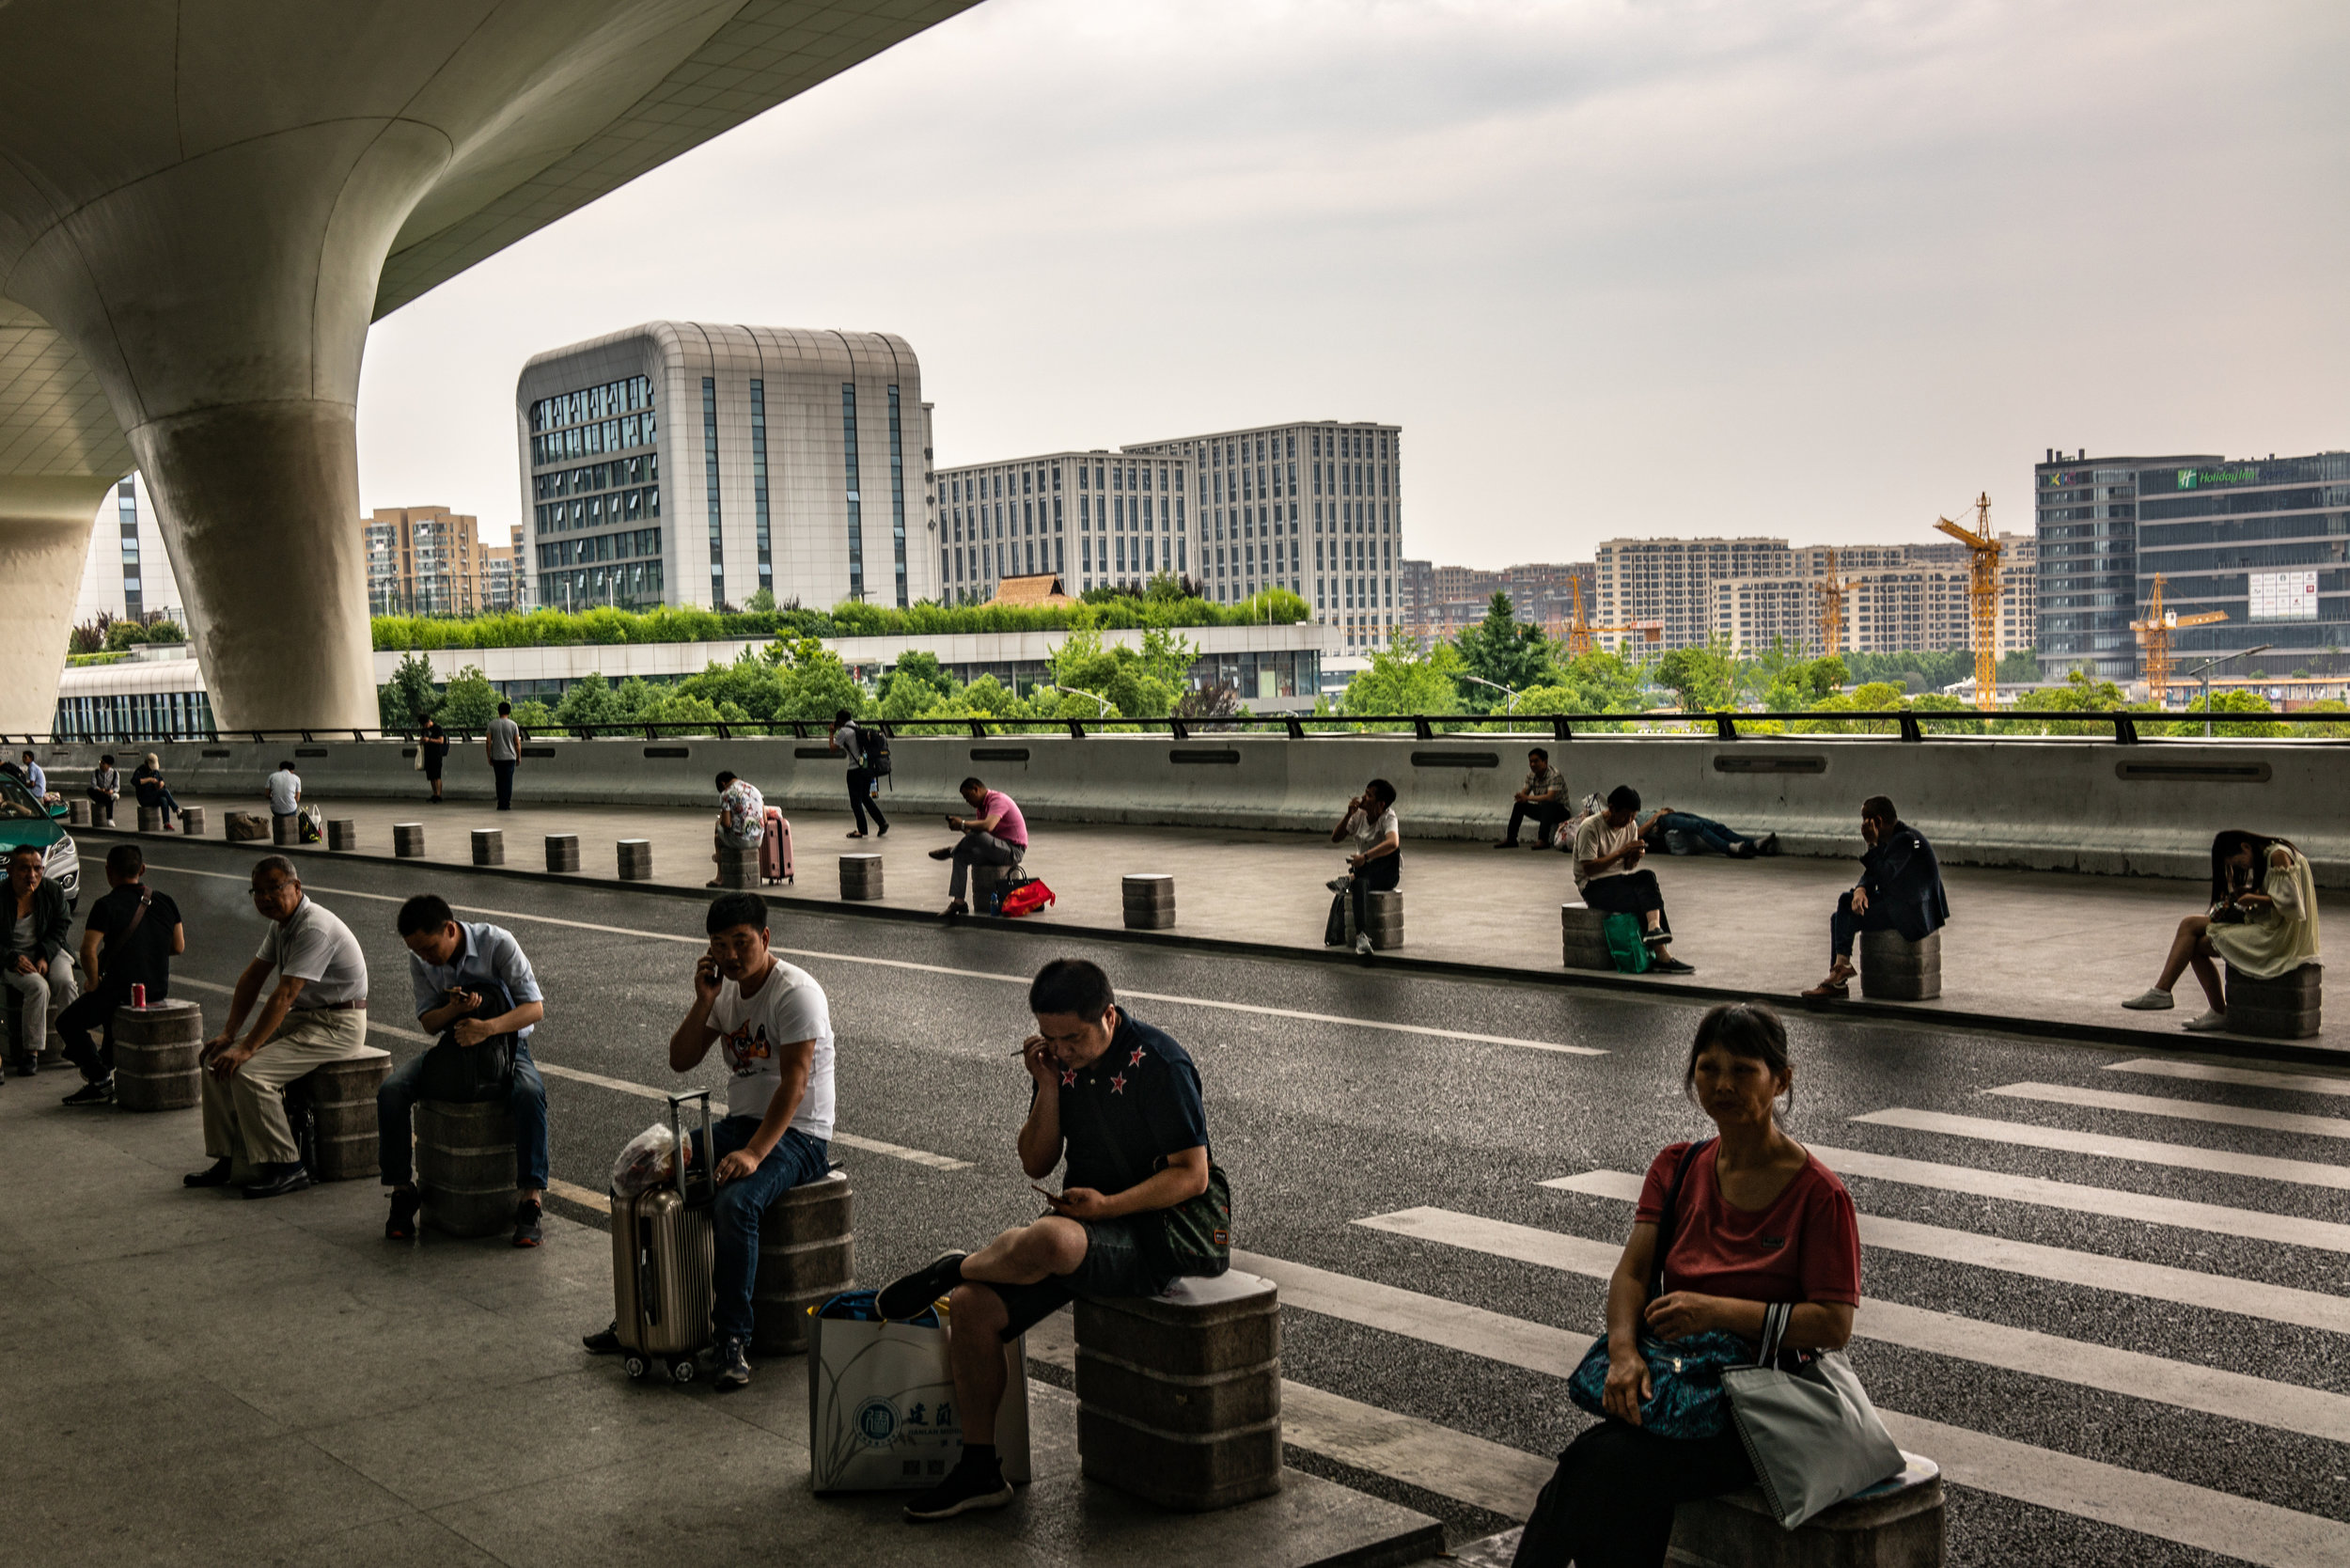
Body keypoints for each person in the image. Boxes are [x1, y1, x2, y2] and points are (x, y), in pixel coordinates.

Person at [1512, 1002, 1860, 1568]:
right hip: (1676, 1385)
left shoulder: (1820, 1195)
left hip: (1759, 1413)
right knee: (1619, 1481)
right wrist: (1624, 1353)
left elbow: (1832, 1323)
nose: (1722, 1084)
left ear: (1782, 1080)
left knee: (1598, 1466)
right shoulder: (1676, 1166)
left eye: (1743, 1070)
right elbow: (1632, 1272)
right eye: (1708, 1068)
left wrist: (1716, 1311)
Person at [873, 958, 1219, 1522]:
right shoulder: (1059, 1065)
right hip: (1082, 1226)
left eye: (1073, 1038)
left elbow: (1191, 1174)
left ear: (1109, 1015)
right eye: (1050, 1037)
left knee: (1054, 1241)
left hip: (1150, 1235)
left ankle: (953, 1267)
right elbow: (1036, 1159)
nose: (1061, 1049)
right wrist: (1048, 1086)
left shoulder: (1159, 1063)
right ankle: (981, 1468)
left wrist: (1108, 1206)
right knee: (973, 1307)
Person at [585, 892, 834, 1389]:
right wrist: (703, 1002)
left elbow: (796, 1084)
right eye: (720, 946)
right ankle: (640, 1314)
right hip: (741, 1124)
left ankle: (732, 1340)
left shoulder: (796, 993)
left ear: (765, 938)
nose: (731, 957)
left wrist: (754, 1154)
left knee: (735, 1203)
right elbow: (680, 1059)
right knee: (635, 1172)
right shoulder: (723, 992)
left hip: (799, 1135)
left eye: (741, 943)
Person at [184, 856, 371, 1199]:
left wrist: (249, 1048)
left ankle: (288, 1166)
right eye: (257, 891)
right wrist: (229, 1035)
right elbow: (252, 978)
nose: (265, 897)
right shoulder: (282, 925)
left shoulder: (314, 926)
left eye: (275, 888)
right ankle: (230, 1159)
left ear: (297, 887)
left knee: (250, 1073)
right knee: (217, 1061)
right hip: (304, 1019)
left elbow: (284, 994)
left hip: (337, 1025)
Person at [379, 895, 550, 1246]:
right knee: (392, 1090)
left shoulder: (498, 943)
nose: (426, 958)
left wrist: (487, 1028)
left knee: (530, 1094)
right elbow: (429, 1022)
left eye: (430, 948)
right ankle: (401, 1190)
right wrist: (454, 1011)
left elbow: (534, 1009)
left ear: (451, 929)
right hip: (453, 1048)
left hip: (506, 1044)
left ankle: (530, 1199)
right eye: (418, 952)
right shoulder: (419, 958)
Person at [2123, 830, 2320, 1031]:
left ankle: (2207, 1007)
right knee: (2189, 924)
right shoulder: (2272, 853)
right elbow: (2281, 894)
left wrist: (2253, 899)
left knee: (2196, 945)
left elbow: (2293, 904)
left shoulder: (2277, 855)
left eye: (2237, 862)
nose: (2241, 867)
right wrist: (2252, 893)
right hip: (2273, 928)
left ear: (2245, 847)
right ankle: (2163, 991)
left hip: (2279, 938)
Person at [56, 842, 184, 1106]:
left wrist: (93, 982)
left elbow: (88, 950)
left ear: (108, 870)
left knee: (67, 1023)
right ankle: (104, 1060)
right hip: (157, 988)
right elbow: (178, 947)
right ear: (143, 869)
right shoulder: (165, 900)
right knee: (107, 1017)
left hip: (118, 989)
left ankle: (100, 1079)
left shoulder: (106, 905)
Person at [1804, 796, 1949, 999]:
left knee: (1844, 909)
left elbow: (1885, 874)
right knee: (1842, 913)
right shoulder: (1893, 837)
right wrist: (1861, 889)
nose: (1863, 826)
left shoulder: (1906, 840)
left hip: (1913, 914)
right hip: (1901, 900)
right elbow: (1873, 873)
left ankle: (1839, 975)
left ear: (1877, 822)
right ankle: (1839, 974)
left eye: (1865, 820)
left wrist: (1871, 845)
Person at [1573, 785, 1695, 974]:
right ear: (1611, 808)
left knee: (1647, 877)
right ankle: (1662, 955)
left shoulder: (1630, 826)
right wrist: (1621, 852)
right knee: (1643, 900)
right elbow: (1589, 869)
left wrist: (1634, 857)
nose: (1629, 821)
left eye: (1633, 816)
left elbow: (1628, 868)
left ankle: (1654, 929)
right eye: (1625, 816)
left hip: (1618, 880)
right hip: (1593, 886)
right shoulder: (1591, 827)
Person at [3, 843, 78, 1077]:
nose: (32, 875)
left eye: (37, 868)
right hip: (13, 956)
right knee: (38, 987)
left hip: (51, 950)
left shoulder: (52, 890)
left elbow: (61, 924)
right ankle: (31, 1053)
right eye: (24, 869)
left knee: (65, 983)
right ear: (11, 870)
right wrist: (12, 958)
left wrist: (45, 955)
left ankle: (76, 1045)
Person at [931, 776, 1028, 917]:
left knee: (978, 835)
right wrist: (960, 827)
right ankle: (959, 902)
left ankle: (951, 850)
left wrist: (963, 823)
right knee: (961, 856)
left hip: (1013, 851)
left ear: (976, 789)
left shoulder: (998, 800)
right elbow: (975, 835)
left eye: (968, 796)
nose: (968, 801)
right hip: (995, 850)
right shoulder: (981, 808)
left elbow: (988, 826)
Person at [1326, 778, 1402, 956]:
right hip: (1365, 873)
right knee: (1360, 884)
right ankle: (1362, 937)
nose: (1363, 798)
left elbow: (1393, 842)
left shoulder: (1388, 816)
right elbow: (1335, 838)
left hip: (1386, 873)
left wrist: (1365, 857)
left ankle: (1349, 878)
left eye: (1369, 795)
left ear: (1381, 804)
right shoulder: (1359, 816)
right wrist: (1348, 815)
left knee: (1391, 850)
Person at [1637, 806, 1775, 859]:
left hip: (1663, 817)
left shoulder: (1632, 813)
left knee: (1713, 825)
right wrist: (1656, 817)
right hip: (1660, 823)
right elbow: (1637, 834)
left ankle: (1753, 844)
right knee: (1698, 826)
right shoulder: (1623, 824)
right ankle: (1728, 848)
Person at [833, 707, 889, 839]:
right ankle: (882, 822)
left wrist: (831, 733)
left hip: (854, 770)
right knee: (865, 797)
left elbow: (832, 748)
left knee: (855, 801)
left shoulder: (843, 732)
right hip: (866, 769)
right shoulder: (859, 728)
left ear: (840, 720)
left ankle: (862, 830)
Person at [1496, 748, 1568, 850]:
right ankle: (1511, 839)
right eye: (1531, 762)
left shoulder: (1554, 775)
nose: (1533, 764)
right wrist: (1520, 797)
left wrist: (1527, 797)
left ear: (1545, 761)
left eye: (1536, 761)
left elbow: (1550, 797)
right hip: (1543, 810)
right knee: (1519, 806)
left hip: (1560, 811)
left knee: (1548, 804)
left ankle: (1543, 840)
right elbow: (1525, 793)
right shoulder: (1530, 775)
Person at [708, 770, 766, 888]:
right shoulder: (755, 790)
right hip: (758, 839)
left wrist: (721, 820)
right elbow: (764, 819)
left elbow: (726, 824)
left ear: (723, 784)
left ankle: (720, 877)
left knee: (717, 833)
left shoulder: (726, 794)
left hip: (741, 840)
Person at [132, 753, 180, 831]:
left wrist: (161, 783)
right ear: (146, 763)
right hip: (144, 798)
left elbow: (161, 780)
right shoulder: (140, 771)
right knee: (165, 792)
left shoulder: (155, 772)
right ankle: (177, 810)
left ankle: (166, 823)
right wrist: (149, 779)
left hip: (153, 796)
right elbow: (134, 781)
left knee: (164, 799)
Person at [486, 701, 521, 809]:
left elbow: (488, 742)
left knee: (499, 781)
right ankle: (507, 803)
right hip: (510, 757)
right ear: (509, 712)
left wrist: (489, 756)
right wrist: (518, 756)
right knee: (508, 781)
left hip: (497, 756)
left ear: (498, 711)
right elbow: (517, 743)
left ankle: (500, 802)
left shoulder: (492, 724)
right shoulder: (513, 724)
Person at [419, 717, 450, 804]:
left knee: (437, 775)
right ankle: (434, 793)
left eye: (426, 724)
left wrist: (429, 740)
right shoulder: (424, 730)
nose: (425, 726)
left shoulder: (437, 728)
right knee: (431, 776)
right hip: (428, 754)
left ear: (429, 721)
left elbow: (441, 741)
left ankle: (439, 795)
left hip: (436, 754)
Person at [266, 760, 302, 828]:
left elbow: (267, 795)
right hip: (291, 809)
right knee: (292, 809)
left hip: (276, 809)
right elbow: (297, 799)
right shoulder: (296, 778)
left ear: (280, 768)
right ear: (292, 770)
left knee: (279, 820)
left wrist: (275, 799)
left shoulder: (272, 776)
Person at [87, 755, 121, 823]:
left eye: (103, 763)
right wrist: (100, 790)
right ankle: (110, 819)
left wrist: (112, 791)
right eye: (100, 762)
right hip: (99, 792)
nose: (100, 764)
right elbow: (94, 785)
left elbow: (117, 787)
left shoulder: (115, 773)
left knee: (109, 797)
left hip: (108, 792)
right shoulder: (95, 772)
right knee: (90, 790)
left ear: (108, 765)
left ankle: (109, 818)